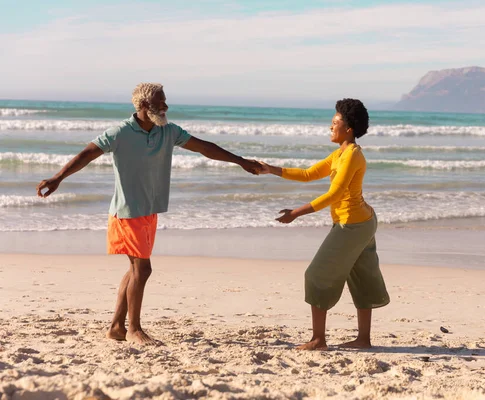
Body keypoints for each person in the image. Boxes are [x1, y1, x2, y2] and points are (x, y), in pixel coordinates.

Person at [36, 83, 262, 345]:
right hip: (127, 210)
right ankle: (133, 329)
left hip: (149, 209)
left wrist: (241, 161)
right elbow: (88, 153)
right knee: (141, 270)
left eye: (165, 101)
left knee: (135, 270)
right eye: (160, 102)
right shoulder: (120, 132)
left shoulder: (168, 130)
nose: (165, 106)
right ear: (143, 106)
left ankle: (116, 328)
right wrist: (58, 177)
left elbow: (204, 148)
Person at [258, 98, 390, 350]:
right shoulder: (340, 153)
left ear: (348, 129)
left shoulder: (352, 155)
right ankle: (363, 339)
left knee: (317, 274)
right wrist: (270, 169)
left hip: (352, 225)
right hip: (360, 222)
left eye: (335, 123)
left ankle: (318, 340)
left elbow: (334, 195)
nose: (330, 127)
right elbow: (309, 174)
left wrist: (295, 213)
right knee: (362, 276)